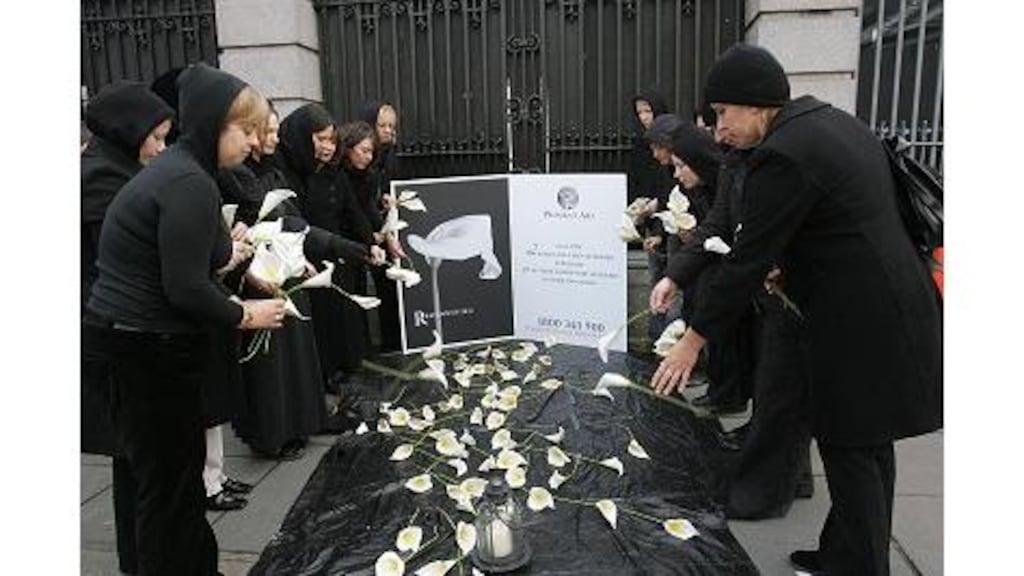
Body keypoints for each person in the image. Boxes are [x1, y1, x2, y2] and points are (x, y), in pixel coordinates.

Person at [650, 44, 942, 575]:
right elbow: (838, 225)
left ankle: (858, 566)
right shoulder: (832, 124)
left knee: (851, 452)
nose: (717, 131)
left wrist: (694, 339)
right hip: (889, 310)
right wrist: (792, 268)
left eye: (721, 113)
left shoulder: (783, 154)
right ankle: (847, 554)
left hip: (858, 327)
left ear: (756, 104)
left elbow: (744, 262)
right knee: (868, 449)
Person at [88, 63, 286, 575]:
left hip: (136, 347)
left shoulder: (184, 171)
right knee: (171, 488)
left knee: (158, 483)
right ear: (210, 124)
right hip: (149, 353)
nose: (253, 141)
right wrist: (246, 313)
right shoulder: (187, 180)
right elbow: (185, 287)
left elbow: (194, 260)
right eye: (244, 130)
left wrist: (246, 276)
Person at [228, 105, 384, 458]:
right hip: (264, 276)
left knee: (296, 357)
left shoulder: (274, 172)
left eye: (273, 132)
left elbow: (295, 222)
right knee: (271, 365)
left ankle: (299, 421)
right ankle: (273, 433)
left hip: (290, 267)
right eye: (263, 133)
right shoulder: (240, 174)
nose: (270, 140)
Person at [81, 80, 174, 576]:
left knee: (142, 467)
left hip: (125, 334)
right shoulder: (101, 181)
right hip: (116, 341)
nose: (161, 149)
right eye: (155, 138)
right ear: (127, 131)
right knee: (138, 469)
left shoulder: (115, 171)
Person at [627, 90, 677, 339]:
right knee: (655, 275)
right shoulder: (639, 145)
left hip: (673, 222)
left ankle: (672, 335)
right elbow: (638, 182)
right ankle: (658, 335)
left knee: (674, 279)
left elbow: (671, 188)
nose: (645, 117)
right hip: (650, 219)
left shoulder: (673, 143)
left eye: (648, 110)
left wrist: (659, 218)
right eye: (640, 113)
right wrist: (639, 210)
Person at [359, 101, 404, 353]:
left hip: (389, 226)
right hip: (372, 230)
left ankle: (396, 339)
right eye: (382, 125)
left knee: (392, 286)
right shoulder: (366, 158)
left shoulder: (389, 154)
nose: (387, 131)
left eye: (391, 126)